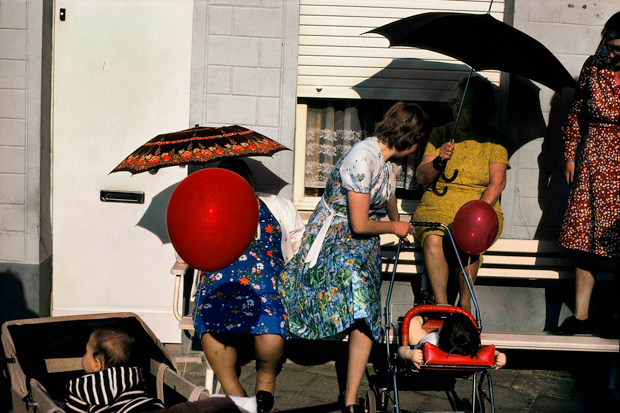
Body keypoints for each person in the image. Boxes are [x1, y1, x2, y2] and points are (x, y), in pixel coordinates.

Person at [279, 102, 430, 412]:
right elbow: (359, 224)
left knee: (364, 317)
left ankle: (349, 400)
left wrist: (400, 221)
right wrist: (393, 226)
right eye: (418, 139)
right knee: (356, 306)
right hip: (336, 239)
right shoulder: (362, 158)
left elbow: (388, 195)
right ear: (408, 137)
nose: (418, 146)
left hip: (363, 246)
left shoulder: (387, 160)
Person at [192, 159, 305, 412]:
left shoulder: (277, 206)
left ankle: (266, 379)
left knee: (273, 335)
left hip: (265, 289)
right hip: (220, 289)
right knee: (210, 328)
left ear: (250, 183)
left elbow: (299, 246)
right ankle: (235, 393)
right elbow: (188, 250)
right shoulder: (208, 209)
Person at [413, 76, 508, 313]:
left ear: (477, 108)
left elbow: (497, 184)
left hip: (479, 206)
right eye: (453, 101)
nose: (453, 107)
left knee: (470, 240)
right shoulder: (441, 133)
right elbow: (422, 177)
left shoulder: (494, 139)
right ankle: (442, 307)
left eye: (459, 103)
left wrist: (475, 212)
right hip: (437, 205)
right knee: (434, 238)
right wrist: (438, 161)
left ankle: (464, 305)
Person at [554, 12, 620, 336]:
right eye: (610, 46)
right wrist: (570, 156)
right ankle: (581, 317)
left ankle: (616, 318)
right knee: (585, 241)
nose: (613, 53)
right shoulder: (592, 67)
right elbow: (577, 113)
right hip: (593, 157)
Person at [65, 324, 164, 413]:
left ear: (96, 364)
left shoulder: (83, 387)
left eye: (86, 352)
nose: (84, 356)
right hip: (141, 407)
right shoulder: (135, 376)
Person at [397, 313, 506, 370]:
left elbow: (401, 350)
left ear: (440, 332)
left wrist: (409, 354)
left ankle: (426, 315)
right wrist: (498, 355)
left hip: (427, 348)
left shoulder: (431, 343)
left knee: (413, 322)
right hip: (460, 367)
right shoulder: (468, 347)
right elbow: (484, 351)